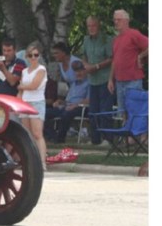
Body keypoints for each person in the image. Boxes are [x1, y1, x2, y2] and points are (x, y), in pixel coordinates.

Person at [108, 9, 148, 118]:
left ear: (126, 21)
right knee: (122, 113)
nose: (116, 22)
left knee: (135, 112)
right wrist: (111, 79)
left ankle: (137, 135)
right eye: (114, 20)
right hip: (119, 81)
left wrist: (141, 56)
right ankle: (127, 134)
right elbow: (115, 60)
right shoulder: (116, 40)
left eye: (119, 20)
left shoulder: (134, 34)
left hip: (133, 80)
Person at [80, 15, 114, 144]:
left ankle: (108, 138)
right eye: (89, 26)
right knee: (93, 110)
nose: (91, 28)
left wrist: (97, 66)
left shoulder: (107, 39)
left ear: (98, 25)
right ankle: (95, 139)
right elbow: (84, 56)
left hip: (104, 78)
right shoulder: (86, 40)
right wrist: (86, 65)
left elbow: (111, 58)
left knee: (105, 110)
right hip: (92, 80)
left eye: (93, 25)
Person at [17, 43, 48, 170]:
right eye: (30, 55)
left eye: (36, 55)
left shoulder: (41, 69)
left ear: (39, 56)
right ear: (27, 57)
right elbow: (21, 91)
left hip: (37, 102)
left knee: (37, 133)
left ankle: (42, 162)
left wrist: (21, 86)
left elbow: (34, 86)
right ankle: (28, 161)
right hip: (25, 102)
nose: (33, 58)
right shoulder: (25, 71)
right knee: (27, 134)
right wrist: (18, 101)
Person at [44, 60, 90, 143]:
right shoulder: (73, 84)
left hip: (80, 107)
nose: (78, 73)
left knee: (66, 114)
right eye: (76, 71)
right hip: (67, 106)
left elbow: (88, 100)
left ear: (85, 71)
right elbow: (67, 100)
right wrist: (60, 102)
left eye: (81, 71)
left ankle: (60, 139)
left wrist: (75, 105)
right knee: (43, 113)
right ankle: (53, 136)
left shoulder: (89, 83)